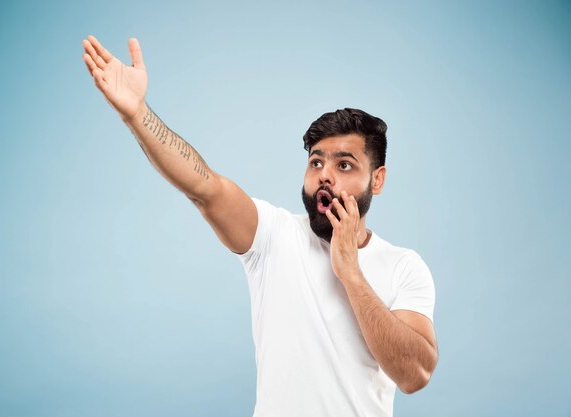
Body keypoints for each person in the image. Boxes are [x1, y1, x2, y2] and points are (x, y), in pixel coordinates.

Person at [82, 35, 438, 417]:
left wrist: (350, 272)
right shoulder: (273, 236)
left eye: (344, 165)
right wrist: (138, 114)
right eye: (316, 163)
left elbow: (414, 374)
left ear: (378, 180)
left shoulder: (404, 267)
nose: (324, 177)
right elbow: (205, 187)